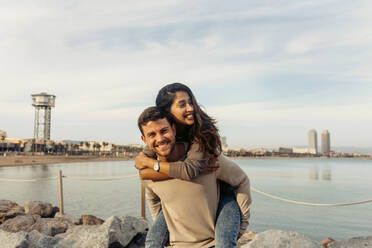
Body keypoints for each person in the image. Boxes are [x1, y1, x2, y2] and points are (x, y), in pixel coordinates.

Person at [138, 106, 251, 248]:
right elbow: (153, 199)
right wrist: (164, 232)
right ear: (144, 139)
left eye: (164, 131)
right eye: (152, 135)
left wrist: (243, 225)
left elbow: (241, 180)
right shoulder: (148, 173)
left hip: (213, 241)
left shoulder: (206, 159)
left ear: (174, 129)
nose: (160, 139)